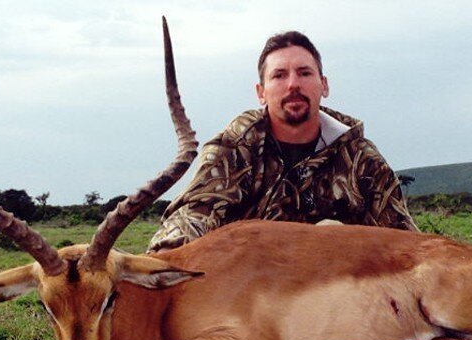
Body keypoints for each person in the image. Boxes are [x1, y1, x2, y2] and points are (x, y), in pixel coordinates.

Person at [148, 30, 417, 252]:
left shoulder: (361, 157)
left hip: (340, 294)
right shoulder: (235, 148)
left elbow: (404, 238)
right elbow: (195, 212)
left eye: (304, 73)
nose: (293, 85)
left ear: (324, 85)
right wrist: (166, 256)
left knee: (330, 233)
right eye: (279, 75)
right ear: (261, 92)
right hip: (252, 293)